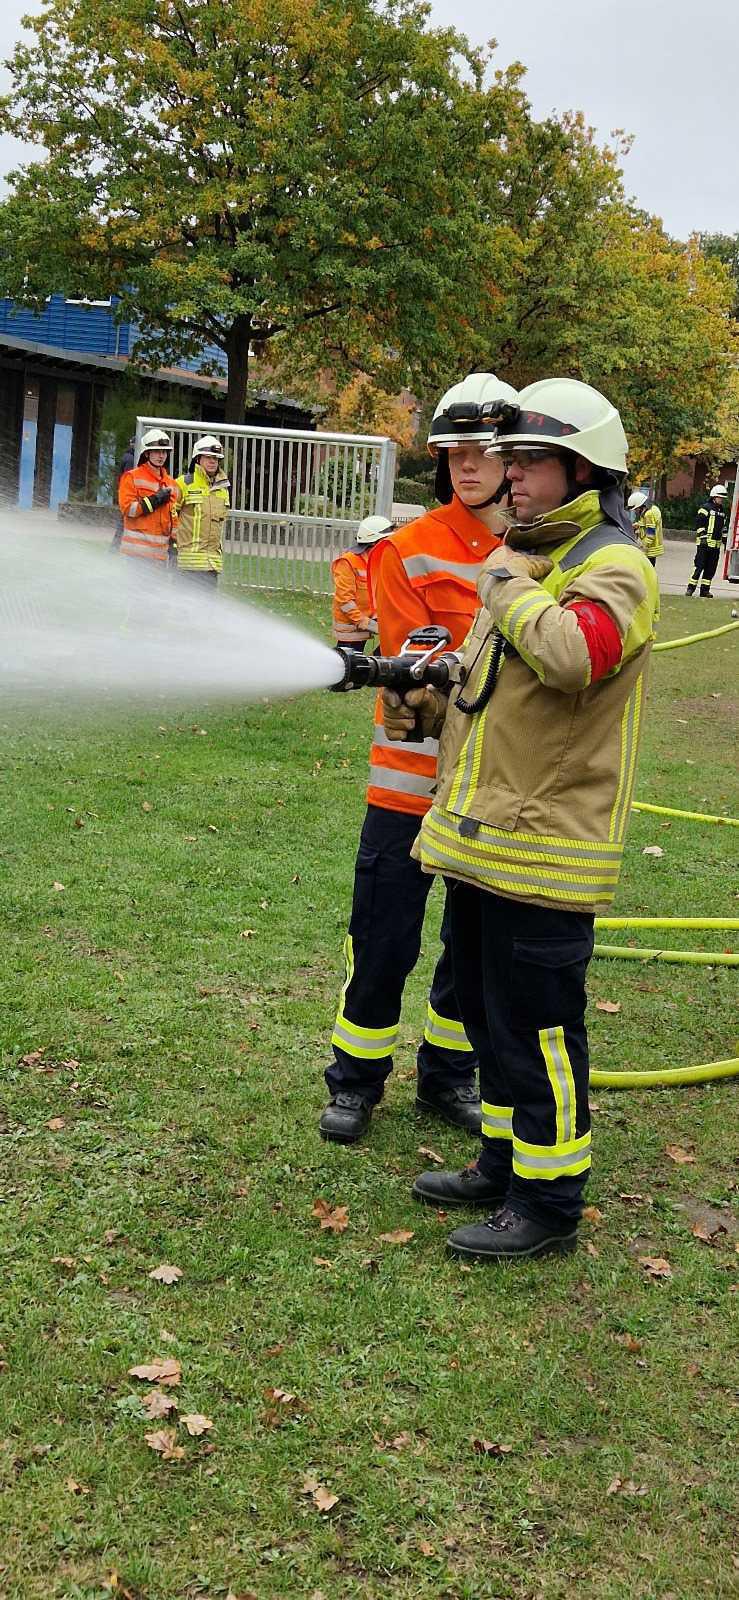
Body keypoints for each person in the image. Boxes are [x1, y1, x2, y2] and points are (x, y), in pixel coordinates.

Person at [384, 378, 659, 1261]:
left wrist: (500, 579)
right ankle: (501, 1164)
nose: (511, 480)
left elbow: (575, 656)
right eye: (508, 464)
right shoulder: (531, 558)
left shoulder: (609, 566)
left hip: (545, 854)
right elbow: (497, 691)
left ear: (583, 467)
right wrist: (427, 705)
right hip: (484, 846)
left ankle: (548, 1204)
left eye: (529, 462)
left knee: (540, 1033)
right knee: (493, 1019)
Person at [320, 372, 518, 1146]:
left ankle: (447, 1077)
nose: (465, 466)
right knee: (383, 940)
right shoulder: (408, 549)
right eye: (453, 453)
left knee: (468, 952)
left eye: (482, 452)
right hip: (408, 788)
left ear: (513, 458)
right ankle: (355, 1082)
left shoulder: (536, 548)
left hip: (490, 789)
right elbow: (411, 677)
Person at [173, 436, 230, 588]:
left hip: (212, 564)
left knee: (207, 609)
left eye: (216, 458)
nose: (213, 461)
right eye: (209, 457)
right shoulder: (184, 483)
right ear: (198, 458)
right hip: (188, 563)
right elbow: (171, 516)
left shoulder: (223, 489)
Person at [331, 515, 394, 651]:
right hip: (350, 628)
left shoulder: (378, 560)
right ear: (374, 542)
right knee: (350, 664)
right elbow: (345, 601)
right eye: (386, 540)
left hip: (368, 620)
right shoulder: (348, 562)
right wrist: (364, 622)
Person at [117, 429, 178, 567]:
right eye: (157, 451)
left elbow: (173, 518)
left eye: (164, 452)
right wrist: (154, 500)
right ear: (147, 453)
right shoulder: (132, 477)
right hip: (136, 555)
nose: (161, 456)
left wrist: (174, 547)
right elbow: (127, 509)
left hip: (160, 557)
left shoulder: (171, 484)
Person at [685, 484, 729, 597]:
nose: (722, 500)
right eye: (720, 498)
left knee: (710, 569)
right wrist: (703, 537)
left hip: (715, 546)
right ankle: (690, 588)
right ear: (714, 497)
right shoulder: (705, 508)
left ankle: (705, 590)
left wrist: (724, 540)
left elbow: (723, 527)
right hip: (704, 544)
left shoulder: (722, 511)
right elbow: (699, 524)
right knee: (699, 567)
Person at [111, 436, 136, 551]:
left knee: (123, 522)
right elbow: (128, 478)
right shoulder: (131, 459)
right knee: (124, 521)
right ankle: (115, 547)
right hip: (127, 496)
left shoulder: (127, 456)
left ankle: (115, 547)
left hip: (123, 494)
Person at [627, 488, 663, 567]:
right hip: (651, 548)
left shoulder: (649, 514)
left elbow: (650, 533)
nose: (635, 511)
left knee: (646, 569)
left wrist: (643, 548)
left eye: (636, 509)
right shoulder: (651, 509)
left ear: (640, 506)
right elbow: (647, 524)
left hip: (650, 549)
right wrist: (637, 525)